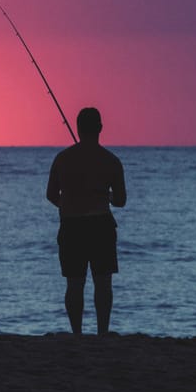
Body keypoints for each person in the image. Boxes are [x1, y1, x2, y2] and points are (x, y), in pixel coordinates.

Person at [46, 107, 126, 335]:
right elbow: (120, 200)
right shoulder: (111, 161)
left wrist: (70, 203)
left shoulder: (62, 159)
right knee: (103, 284)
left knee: (74, 284)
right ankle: (102, 333)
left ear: (78, 128)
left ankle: (77, 334)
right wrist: (105, 196)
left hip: (71, 227)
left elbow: (51, 195)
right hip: (101, 226)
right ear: (100, 128)